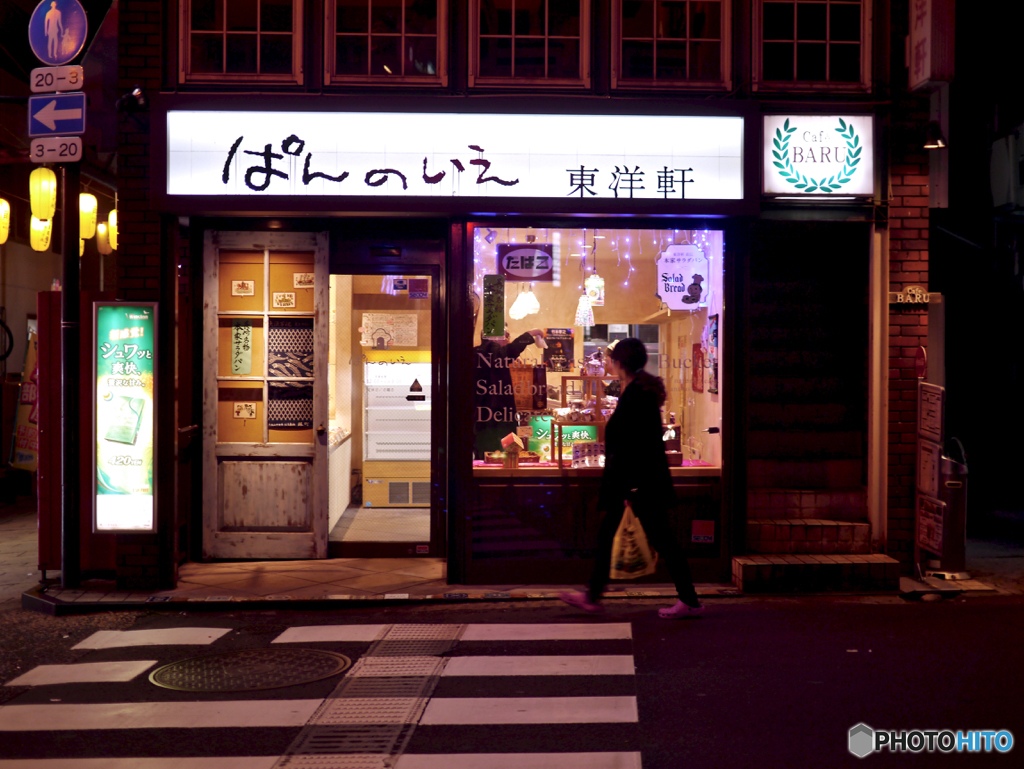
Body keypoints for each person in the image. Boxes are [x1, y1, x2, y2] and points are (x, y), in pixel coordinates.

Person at [560, 337, 704, 619]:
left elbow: (639, 445)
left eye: (612, 360)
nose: (610, 365)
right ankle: (592, 595)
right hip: (635, 483)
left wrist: (632, 488)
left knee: (662, 540)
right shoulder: (638, 390)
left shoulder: (638, 395)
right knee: (614, 536)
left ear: (620, 363)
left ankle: (689, 599)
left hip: (638, 485)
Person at [471, 292, 544, 458]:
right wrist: (530, 334)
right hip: (494, 418)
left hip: (483, 417)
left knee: (487, 454)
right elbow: (508, 351)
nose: (508, 339)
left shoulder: (477, 353)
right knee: (498, 455)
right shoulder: (492, 353)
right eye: (507, 335)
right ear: (495, 337)